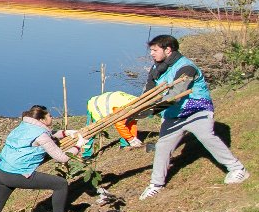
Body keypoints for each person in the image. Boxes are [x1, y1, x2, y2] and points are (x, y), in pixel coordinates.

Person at [141, 35, 248, 200]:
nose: (152, 54)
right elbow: (148, 93)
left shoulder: (186, 68)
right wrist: (139, 109)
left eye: (155, 50)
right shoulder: (156, 70)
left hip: (196, 111)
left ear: (168, 50)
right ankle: (156, 184)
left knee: (206, 136)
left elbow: (176, 94)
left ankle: (238, 169)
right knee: (162, 147)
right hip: (173, 115)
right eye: (151, 51)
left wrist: (152, 111)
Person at [83, 90, 143, 158]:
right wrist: (131, 139)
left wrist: (134, 137)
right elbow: (120, 125)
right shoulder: (123, 108)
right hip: (95, 106)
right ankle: (86, 155)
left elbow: (132, 123)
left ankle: (125, 144)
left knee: (128, 122)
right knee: (91, 132)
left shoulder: (137, 104)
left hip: (112, 103)